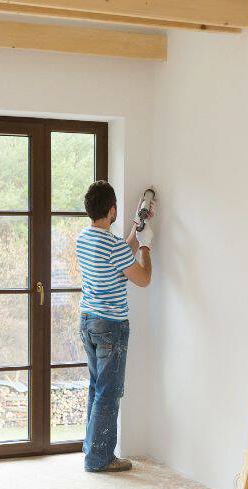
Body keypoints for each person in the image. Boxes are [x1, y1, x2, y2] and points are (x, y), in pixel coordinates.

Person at [74, 180, 154, 472]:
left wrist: (137, 229)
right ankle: (100, 459)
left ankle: (91, 450)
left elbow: (120, 254)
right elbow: (143, 278)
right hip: (111, 325)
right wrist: (146, 247)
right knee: (109, 392)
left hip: (89, 321)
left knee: (97, 389)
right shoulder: (113, 246)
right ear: (112, 210)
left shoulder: (84, 238)